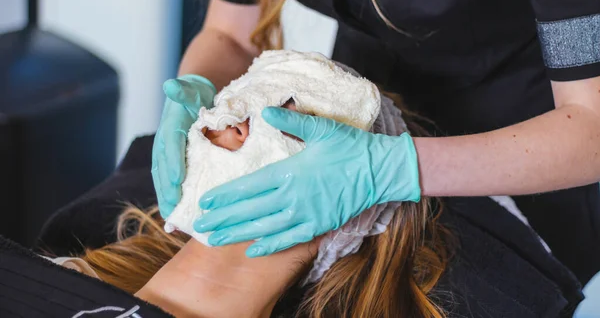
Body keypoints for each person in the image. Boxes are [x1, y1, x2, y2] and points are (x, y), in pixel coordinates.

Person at [152, 0, 600, 285]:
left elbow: (591, 126)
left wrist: (393, 168)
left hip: (519, 165)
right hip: (351, 130)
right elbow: (229, 33)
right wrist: (197, 91)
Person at [31, 80, 582, 318]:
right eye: (238, 94)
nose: (230, 111)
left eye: (289, 106)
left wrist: (396, 167)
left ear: (349, 215)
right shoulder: (46, 271)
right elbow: (229, 29)